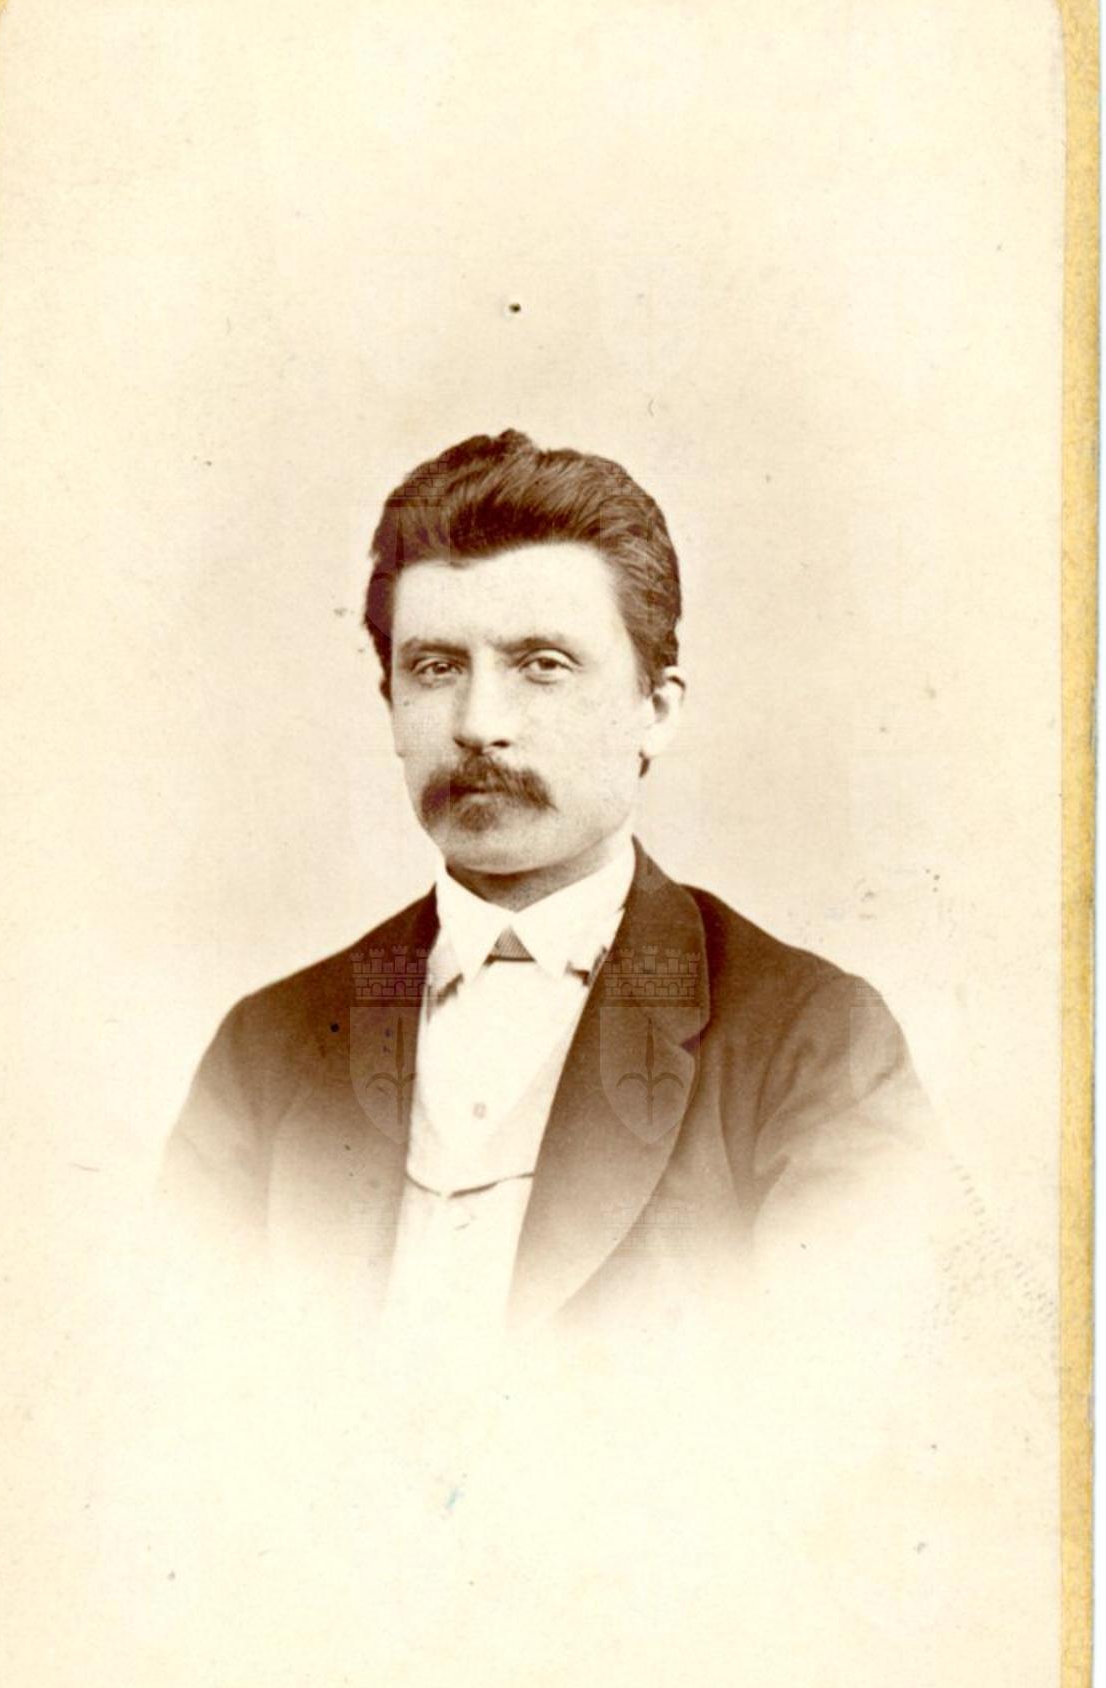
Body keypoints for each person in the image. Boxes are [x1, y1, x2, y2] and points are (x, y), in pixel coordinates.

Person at [163, 430, 942, 1347]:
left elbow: (847, 1401)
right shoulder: (266, 1048)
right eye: (435, 668)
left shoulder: (807, 1039)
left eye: (542, 665)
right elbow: (177, 1382)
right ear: (392, 709)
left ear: (655, 712)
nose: (477, 724)